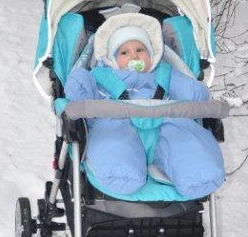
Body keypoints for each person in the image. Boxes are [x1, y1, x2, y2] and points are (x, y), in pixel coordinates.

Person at [64, 13, 225, 198]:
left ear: (152, 54)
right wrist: (80, 80)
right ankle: (122, 170)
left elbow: (195, 96)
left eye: (140, 50)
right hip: (117, 123)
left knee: (185, 135)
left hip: (167, 123)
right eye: (124, 52)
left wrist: (195, 89)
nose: (134, 55)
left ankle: (197, 174)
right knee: (111, 138)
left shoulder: (165, 74)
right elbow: (79, 98)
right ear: (111, 59)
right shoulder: (101, 77)